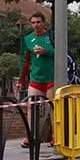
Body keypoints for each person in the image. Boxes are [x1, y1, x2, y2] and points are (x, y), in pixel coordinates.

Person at [18, 12, 55, 149]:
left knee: (52, 107)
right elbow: (24, 61)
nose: (36, 25)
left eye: (38, 22)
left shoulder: (51, 36)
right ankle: (31, 136)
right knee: (31, 106)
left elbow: (60, 52)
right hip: (35, 77)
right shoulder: (28, 39)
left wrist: (47, 52)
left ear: (44, 23)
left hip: (51, 76)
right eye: (33, 23)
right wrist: (21, 79)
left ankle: (56, 136)